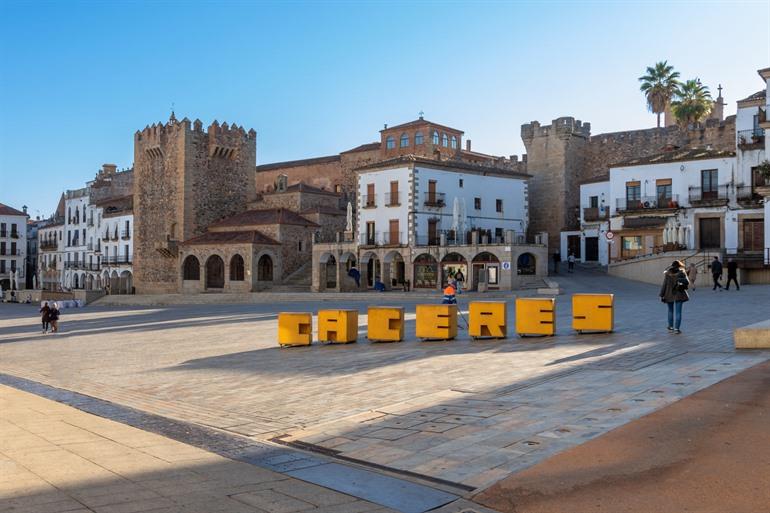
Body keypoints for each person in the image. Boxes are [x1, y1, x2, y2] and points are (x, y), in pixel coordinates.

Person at [659, 260, 689, 334]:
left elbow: (664, 285)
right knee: (678, 312)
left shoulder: (667, 273)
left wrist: (661, 295)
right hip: (679, 294)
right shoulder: (682, 272)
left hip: (669, 294)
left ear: (671, 266)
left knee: (670, 311)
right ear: (679, 266)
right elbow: (687, 282)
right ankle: (677, 329)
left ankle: (670, 327)